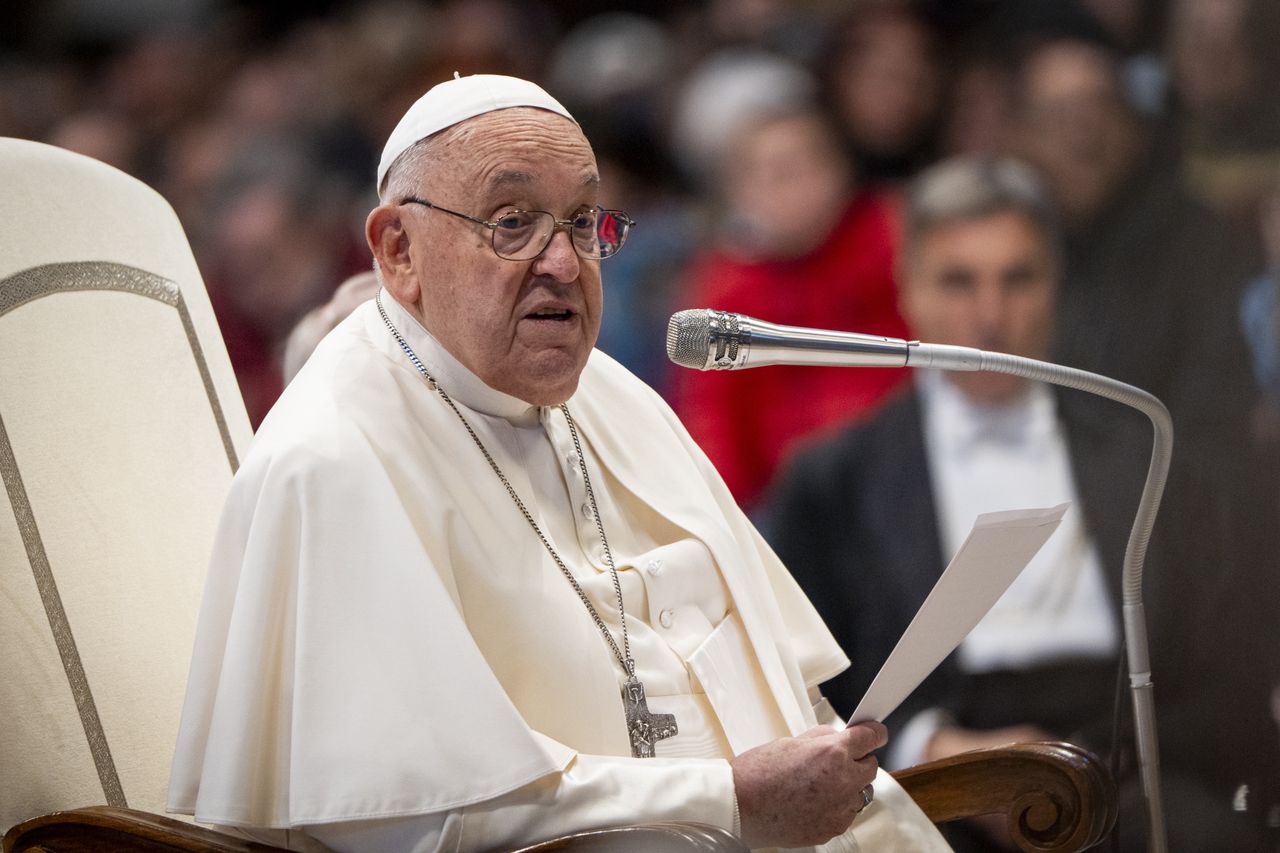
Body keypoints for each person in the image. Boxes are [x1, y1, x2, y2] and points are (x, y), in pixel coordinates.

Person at [167, 74, 951, 853]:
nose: (566, 264)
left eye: (582, 221)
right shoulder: (330, 457)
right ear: (398, 251)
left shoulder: (615, 397)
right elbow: (410, 816)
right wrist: (731, 798)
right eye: (513, 222)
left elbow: (791, 690)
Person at [768, 157, 1278, 851]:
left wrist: (1098, 759)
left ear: (1058, 286)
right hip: (929, 780)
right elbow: (795, 682)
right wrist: (937, 749)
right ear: (908, 286)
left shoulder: (1145, 447)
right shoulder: (834, 479)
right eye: (957, 280)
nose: (988, 315)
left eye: (1019, 279)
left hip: (1123, 754)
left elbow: (1226, 662)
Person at [669, 107, 909, 512]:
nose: (776, 191)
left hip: (903, 477)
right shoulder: (724, 288)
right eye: (757, 177)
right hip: (787, 507)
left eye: (790, 171)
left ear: (838, 173)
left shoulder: (896, 245)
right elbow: (711, 423)